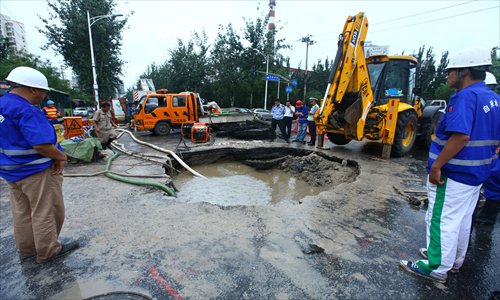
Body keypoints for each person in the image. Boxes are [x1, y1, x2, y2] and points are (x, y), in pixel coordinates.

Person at [399, 47, 500, 283]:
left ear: (464, 71)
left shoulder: (465, 97)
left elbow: (460, 136)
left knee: (441, 218)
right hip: (476, 174)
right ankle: (452, 259)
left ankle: (435, 266)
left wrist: (437, 166)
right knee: (462, 220)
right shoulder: (493, 99)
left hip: (453, 172)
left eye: (450, 72)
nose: (447, 77)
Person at [0, 66, 79, 264]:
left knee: (22, 212)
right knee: (46, 211)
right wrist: (61, 157)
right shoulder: (26, 110)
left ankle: (27, 250)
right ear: (33, 89)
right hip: (35, 171)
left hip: (11, 172)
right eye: (43, 91)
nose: (44, 96)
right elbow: (42, 145)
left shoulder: (2, 105)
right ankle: (48, 251)